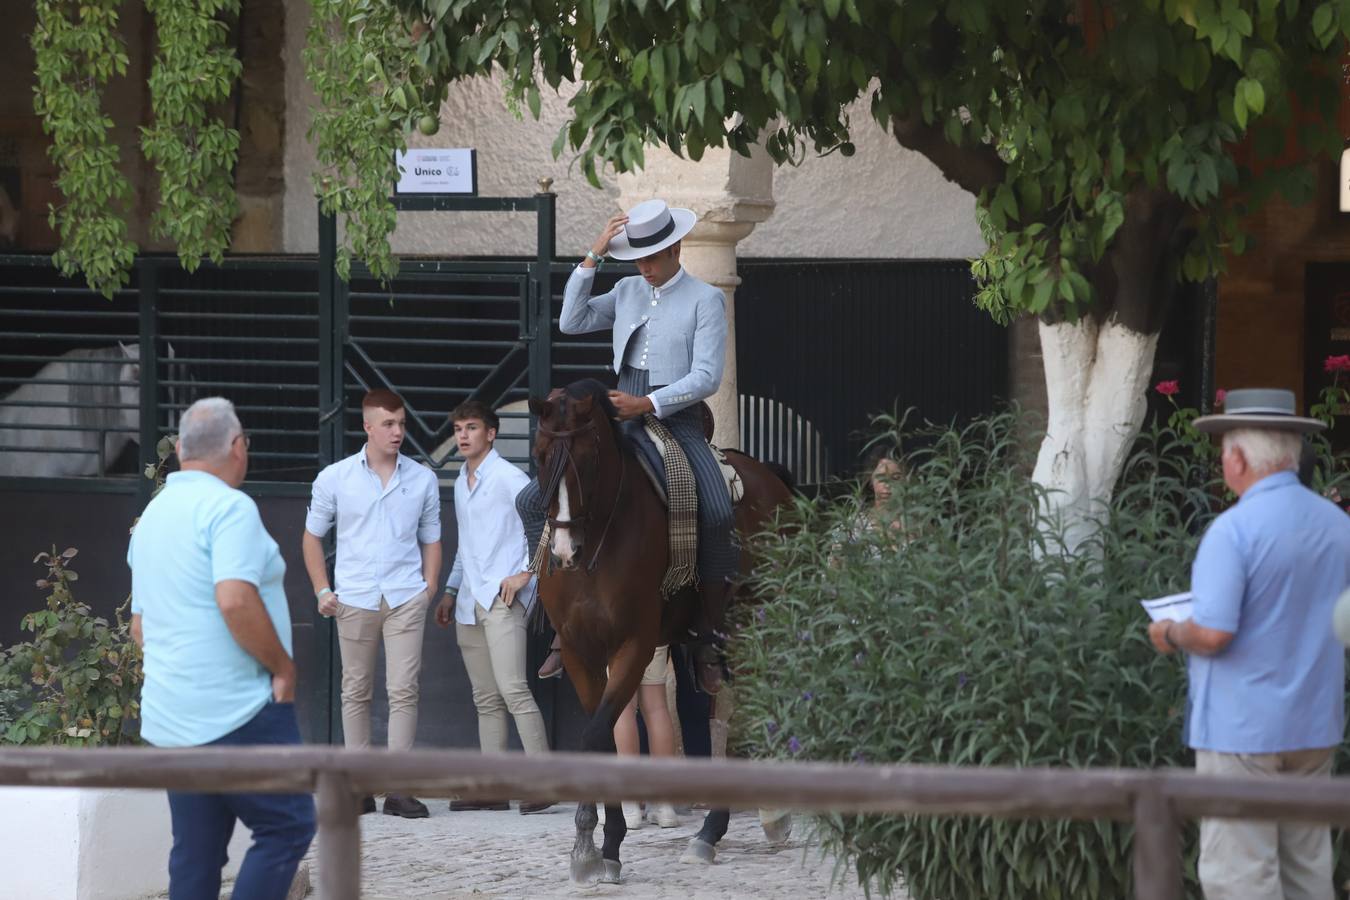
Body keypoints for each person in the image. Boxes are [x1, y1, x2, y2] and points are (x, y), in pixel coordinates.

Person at [519, 198, 735, 695]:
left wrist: (650, 403)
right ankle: (555, 612)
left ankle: (708, 633)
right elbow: (571, 321)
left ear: (676, 246)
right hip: (615, 416)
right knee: (531, 499)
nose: (645, 267)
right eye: (638, 257)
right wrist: (593, 254)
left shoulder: (705, 300)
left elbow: (706, 376)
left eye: (654, 257)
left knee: (719, 508)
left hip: (674, 417)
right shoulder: (626, 287)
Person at [1146, 388, 1350, 900]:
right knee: (1308, 867)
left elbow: (1214, 634)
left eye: (1223, 453)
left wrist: (1170, 632)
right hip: (1315, 724)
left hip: (1242, 733)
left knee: (1241, 876)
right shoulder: (1340, 526)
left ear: (1236, 459)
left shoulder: (1232, 531)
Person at [128, 397, 315, 900]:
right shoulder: (229, 508)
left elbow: (139, 627)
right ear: (237, 447)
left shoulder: (152, 516)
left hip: (171, 716)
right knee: (288, 826)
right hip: (239, 708)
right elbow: (234, 599)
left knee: (196, 849)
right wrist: (282, 668)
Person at [302, 389, 442, 818]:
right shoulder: (335, 478)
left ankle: (398, 790)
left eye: (401, 423)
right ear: (367, 427)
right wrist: (322, 590)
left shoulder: (421, 478)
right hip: (355, 596)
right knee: (356, 691)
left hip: (404, 596)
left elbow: (432, 537)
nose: (398, 431)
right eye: (388, 424)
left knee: (403, 690)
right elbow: (311, 537)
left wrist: (429, 588)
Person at [434, 400, 554, 814]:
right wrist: (450, 591)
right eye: (458, 429)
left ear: (492, 433)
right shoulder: (460, 482)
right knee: (485, 697)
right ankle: (493, 787)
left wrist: (526, 574)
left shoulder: (508, 477)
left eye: (471, 427)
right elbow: (466, 547)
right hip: (469, 600)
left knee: (514, 690)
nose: (463, 435)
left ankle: (543, 783)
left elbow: (546, 526)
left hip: (504, 600)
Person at [609, 645, 681, 829]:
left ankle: (629, 802)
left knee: (624, 707)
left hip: (620, 635)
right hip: (656, 634)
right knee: (657, 707)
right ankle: (664, 805)